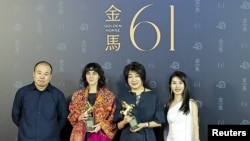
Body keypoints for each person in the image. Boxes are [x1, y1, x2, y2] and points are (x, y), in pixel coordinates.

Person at [12, 61, 68, 141]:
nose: (42, 77)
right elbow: (15, 116)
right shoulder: (22, 92)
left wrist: (51, 132)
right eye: (39, 73)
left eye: (46, 74)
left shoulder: (58, 95)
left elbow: (62, 118)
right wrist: (27, 129)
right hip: (26, 138)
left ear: (50, 77)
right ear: (33, 74)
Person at [114, 61, 166, 141]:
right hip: (127, 138)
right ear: (127, 79)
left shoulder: (153, 96)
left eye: (137, 76)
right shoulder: (122, 98)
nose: (133, 80)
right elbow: (118, 126)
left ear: (142, 77)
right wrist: (124, 121)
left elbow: (159, 121)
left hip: (147, 137)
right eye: (130, 77)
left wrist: (144, 125)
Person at [67, 62, 117, 141]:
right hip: (80, 135)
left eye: (94, 73)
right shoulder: (77, 95)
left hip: (100, 135)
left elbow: (113, 117)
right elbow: (71, 116)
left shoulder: (108, 96)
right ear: (85, 76)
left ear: (99, 76)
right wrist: (79, 117)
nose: (91, 76)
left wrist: (101, 125)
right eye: (88, 73)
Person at [164, 71, 199, 141]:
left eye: (180, 83)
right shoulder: (168, 105)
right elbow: (167, 128)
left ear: (185, 85)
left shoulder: (191, 104)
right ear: (170, 85)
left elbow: (195, 126)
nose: (177, 86)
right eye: (174, 83)